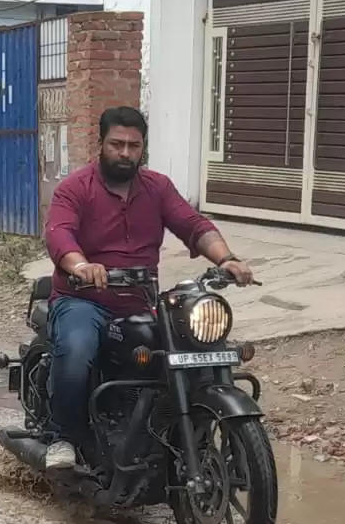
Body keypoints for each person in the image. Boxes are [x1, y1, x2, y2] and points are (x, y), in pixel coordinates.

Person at [41, 106, 253, 471]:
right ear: (101, 143)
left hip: (141, 300)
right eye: (117, 144)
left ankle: (181, 433)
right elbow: (59, 233)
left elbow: (193, 225)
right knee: (77, 350)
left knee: (196, 347)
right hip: (83, 299)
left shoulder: (157, 187)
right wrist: (82, 266)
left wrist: (225, 259)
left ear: (143, 148)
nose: (125, 153)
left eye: (133, 146)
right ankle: (65, 436)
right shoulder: (75, 188)